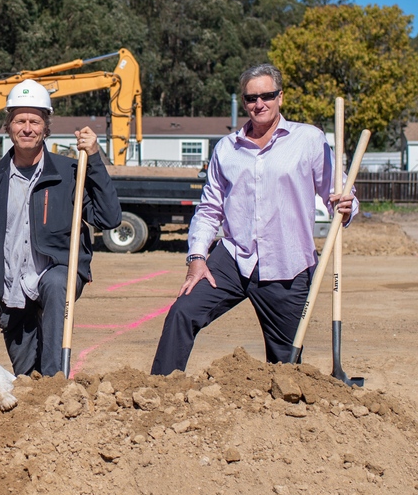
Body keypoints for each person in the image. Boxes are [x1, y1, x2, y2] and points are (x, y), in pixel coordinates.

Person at [151, 64, 358, 373]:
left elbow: (339, 193)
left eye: (267, 96)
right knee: (182, 312)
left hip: (287, 265)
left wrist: (346, 206)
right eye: (251, 98)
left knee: (285, 363)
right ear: (244, 101)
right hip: (234, 258)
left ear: (280, 97)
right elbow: (209, 208)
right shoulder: (227, 148)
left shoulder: (308, 140)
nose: (259, 104)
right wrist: (197, 257)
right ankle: (160, 388)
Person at [0, 79, 123, 377]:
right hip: (12, 290)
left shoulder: (69, 172)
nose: (27, 128)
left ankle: (57, 384)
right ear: (9, 126)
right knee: (26, 376)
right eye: (20, 121)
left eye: (35, 121)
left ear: (45, 128)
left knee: (54, 283)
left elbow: (109, 218)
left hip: (56, 276)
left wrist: (94, 159)